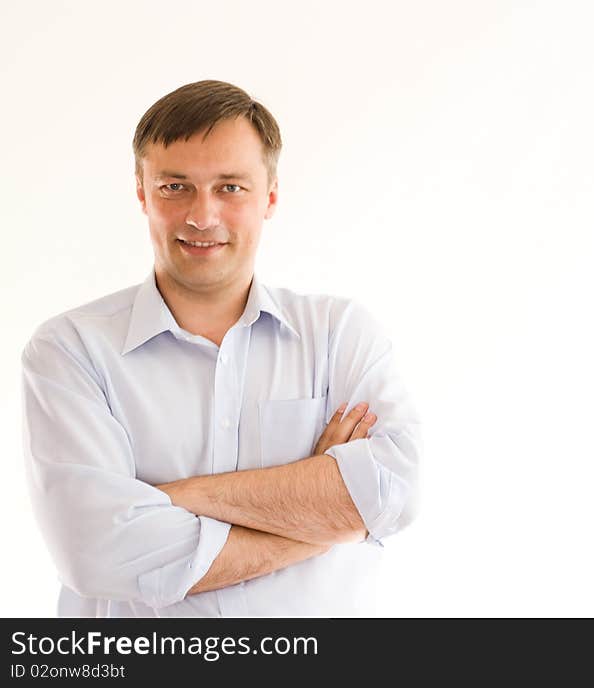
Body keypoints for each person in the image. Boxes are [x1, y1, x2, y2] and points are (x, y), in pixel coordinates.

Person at [20, 80, 421, 617]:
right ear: (141, 190)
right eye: (174, 187)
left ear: (270, 195)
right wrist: (324, 524)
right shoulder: (70, 351)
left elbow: (394, 493)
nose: (202, 216)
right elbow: (96, 551)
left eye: (230, 187)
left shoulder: (339, 334)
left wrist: (173, 497)